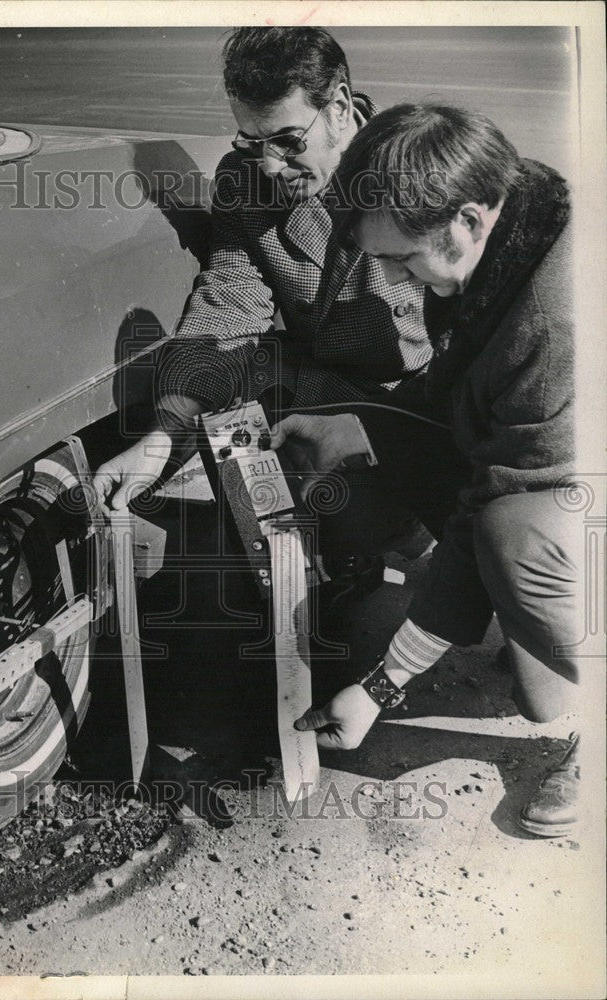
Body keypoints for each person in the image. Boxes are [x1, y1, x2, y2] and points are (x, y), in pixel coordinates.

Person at [270, 103, 579, 837]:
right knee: (409, 448)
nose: (398, 279)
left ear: (468, 220)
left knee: (515, 538)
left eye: (403, 260)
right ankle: (545, 626)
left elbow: (496, 497)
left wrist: (380, 686)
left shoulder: (552, 322)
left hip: (565, 484)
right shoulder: (499, 238)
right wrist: (358, 425)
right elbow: (457, 396)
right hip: (562, 462)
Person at [93, 27, 432, 519]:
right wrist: (161, 438)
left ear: (338, 108)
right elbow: (231, 304)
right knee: (225, 379)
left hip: (414, 411)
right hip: (317, 391)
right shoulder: (246, 180)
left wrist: (395, 443)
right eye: (252, 142)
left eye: (286, 141)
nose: (270, 166)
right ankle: (281, 556)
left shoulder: (420, 172)